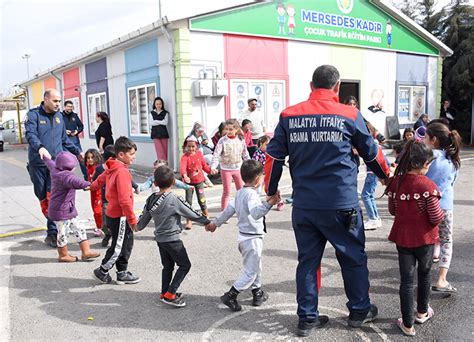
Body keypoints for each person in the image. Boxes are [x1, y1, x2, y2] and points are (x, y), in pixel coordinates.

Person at [264, 65, 390, 337]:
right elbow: (371, 153)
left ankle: (307, 317)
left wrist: (271, 189)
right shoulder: (349, 114)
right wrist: (386, 177)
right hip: (341, 204)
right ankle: (359, 310)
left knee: (308, 262)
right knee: (353, 257)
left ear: (311, 86)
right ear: (338, 86)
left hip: (305, 206)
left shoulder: (289, 115)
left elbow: (273, 157)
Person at [385, 140, 444, 336]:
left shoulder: (396, 183)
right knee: (425, 275)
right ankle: (422, 312)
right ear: (423, 163)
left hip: (403, 239)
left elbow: (393, 210)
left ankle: (408, 324)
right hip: (425, 240)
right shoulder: (428, 185)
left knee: (407, 281)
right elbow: (435, 217)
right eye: (429, 164)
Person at [206, 160, 280, 311]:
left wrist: (215, 223)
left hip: (244, 238)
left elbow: (227, 211)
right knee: (251, 272)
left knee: (255, 266)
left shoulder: (240, 193)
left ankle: (257, 293)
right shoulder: (251, 195)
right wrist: (269, 204)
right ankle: (231, 295)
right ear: (258, 178)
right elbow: (256, 213)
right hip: (252, 239)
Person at [137, 165, 211, 307]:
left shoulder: (151, 198)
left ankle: (164, 292)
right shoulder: (173, 199)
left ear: (155, 183)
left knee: (167, 266)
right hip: (173, 240)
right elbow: (190, 212)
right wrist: (206, 222)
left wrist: (136, 227)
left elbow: (143, 219)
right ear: (173, 183)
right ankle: (171, 294)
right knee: (185, 265)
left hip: (160, 239)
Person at [25, 89, 83, 248]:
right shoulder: (34, 115)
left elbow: (64, 139)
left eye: (59, 101)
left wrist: (78, 152)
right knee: (42, 195)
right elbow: (30, 134)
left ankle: (53, 232)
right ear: (46, 99)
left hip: (56, 166)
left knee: (53, 196)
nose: (59, 104)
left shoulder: (59, 117)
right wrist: (40, 147)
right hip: (38, 163)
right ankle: (54, 225)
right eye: (55, 101)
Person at [91, 137, 140, 285]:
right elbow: (124, 200)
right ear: (121, 155)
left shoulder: (112, 167)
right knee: (119, 246)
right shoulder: (122, 172)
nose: (134, 157)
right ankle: (102, 271)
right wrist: (132, 220)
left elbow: (100, 180)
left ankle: (122, 272)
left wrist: (91, 186)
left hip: (114, 213)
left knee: (126, 243)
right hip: (121, 216)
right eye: (131, 154)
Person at [424, 122, 462, 293]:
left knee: (424, 241)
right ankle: (441, 279)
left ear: (433, 140)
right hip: (445, 206)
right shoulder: (453, 159)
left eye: (425, 137)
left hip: (425, 205)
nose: (423, 139)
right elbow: (452, 182)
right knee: (446, 240)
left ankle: (422, 276)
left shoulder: (428, 155)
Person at [43, 152, 100, 262]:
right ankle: (63, 255)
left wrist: (45, 157)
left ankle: (86, 252)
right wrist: (89, 185)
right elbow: (76, 181)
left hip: (68, 209)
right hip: (60, 212)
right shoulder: (65, 176)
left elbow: (50, 163)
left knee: (80, 227)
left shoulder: (56, 169)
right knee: (63, 233)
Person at [211, 119, 250, 211]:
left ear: (236, 129)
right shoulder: (222, 140)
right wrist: (213, 167)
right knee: (227, 192)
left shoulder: (241, 140)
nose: (228, 131)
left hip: (238, 168)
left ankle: (242, 210)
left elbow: (245, 154)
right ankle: (224, 212)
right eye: (227, 129)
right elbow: (216, 154)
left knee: (241, 191)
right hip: (225, 169)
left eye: (230, 129)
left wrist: (250, 164)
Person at [180, 136, 216, 229]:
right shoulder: (184, 157)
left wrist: (210, 171)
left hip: (199, 181)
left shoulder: (199, 154)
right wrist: (185, 176)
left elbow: (204, 165)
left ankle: (206, 217)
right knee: (188, 201)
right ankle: (189, 220)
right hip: (188, 184)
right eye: (189, 146)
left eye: (193, 146)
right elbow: (182, 168)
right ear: (186, 146)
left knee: (202, 200)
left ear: (197, 146)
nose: (191, 148)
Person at [362, 121, 384, 230]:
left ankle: (373, 219)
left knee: (365, 195)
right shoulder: (375, 142)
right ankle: (375, 218)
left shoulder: (371, 143)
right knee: (369, 195)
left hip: (372, 172)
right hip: (373, 172)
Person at [252, 136, 285, 210]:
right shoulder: (257, 153)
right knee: (258, 190)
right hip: (260, 175)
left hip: (269, 174)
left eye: (270, 145)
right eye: (266, 145)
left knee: (273, 188)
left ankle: (279, 201)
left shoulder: (271, 153)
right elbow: (254, 164)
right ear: (261, 144)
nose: (268, 147)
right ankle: (255, 204)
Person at [92, 145, 115, 248]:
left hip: (117, 201)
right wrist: (90, 185)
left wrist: (135, 186)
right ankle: (108, 234)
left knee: (117, 222)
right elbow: (95, 180)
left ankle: (115, 238)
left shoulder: (120, 168)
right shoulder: (100, 168)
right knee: (105, 222)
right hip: (106, 200)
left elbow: (128, 179)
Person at [62, 100, 87, 180]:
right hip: (65, 141)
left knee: (81, 158)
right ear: (65, 107)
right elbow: (57, 128)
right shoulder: (60, 116)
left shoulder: (74, 116)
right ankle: (67, 177)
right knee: (67, 160)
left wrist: (77, 131)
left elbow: (81, 126)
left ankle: (86, 176)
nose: (70, 108)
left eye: (71, 107)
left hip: (75, 140)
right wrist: (65, 131)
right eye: (69, 106)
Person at [85, 148, 104, 237]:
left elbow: (99, 182)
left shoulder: (98, 168)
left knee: (98, 211)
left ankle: (100, 228)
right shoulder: (88, 167)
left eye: (92, 157)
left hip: (99, 193)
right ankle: (100, 226)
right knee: (95, 210)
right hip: (93, 193)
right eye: (88, 158)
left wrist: (89, 187)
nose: (90, 159)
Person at [150, 96, 169, 161]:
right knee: (160, 152)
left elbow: (165, 122)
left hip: (164, 134)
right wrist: (161, 121)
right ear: (154, 104)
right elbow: (151, 123)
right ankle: (161, 167)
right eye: (157, 104)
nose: (158, 105)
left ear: (162, 104)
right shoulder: (152, 113)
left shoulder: (165, 113)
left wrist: (156, 121)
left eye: (160, 104)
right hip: (155, 134)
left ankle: (165, 167)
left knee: (165, 151)